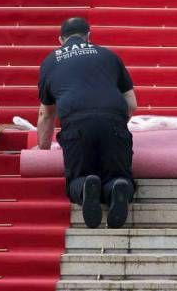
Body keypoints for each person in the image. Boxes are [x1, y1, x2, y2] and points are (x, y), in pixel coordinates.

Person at [37, 17, 137, 229]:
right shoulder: (109, 55)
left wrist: (43, 148)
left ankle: (85, 187)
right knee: (120, 174)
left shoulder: (50, 62)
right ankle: (117, 187)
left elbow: (46, 115)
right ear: (89, 36)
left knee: (77, 177)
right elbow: (131, 103)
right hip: (112, 119)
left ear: (60, 40)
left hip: (76, 124)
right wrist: (118, 124)